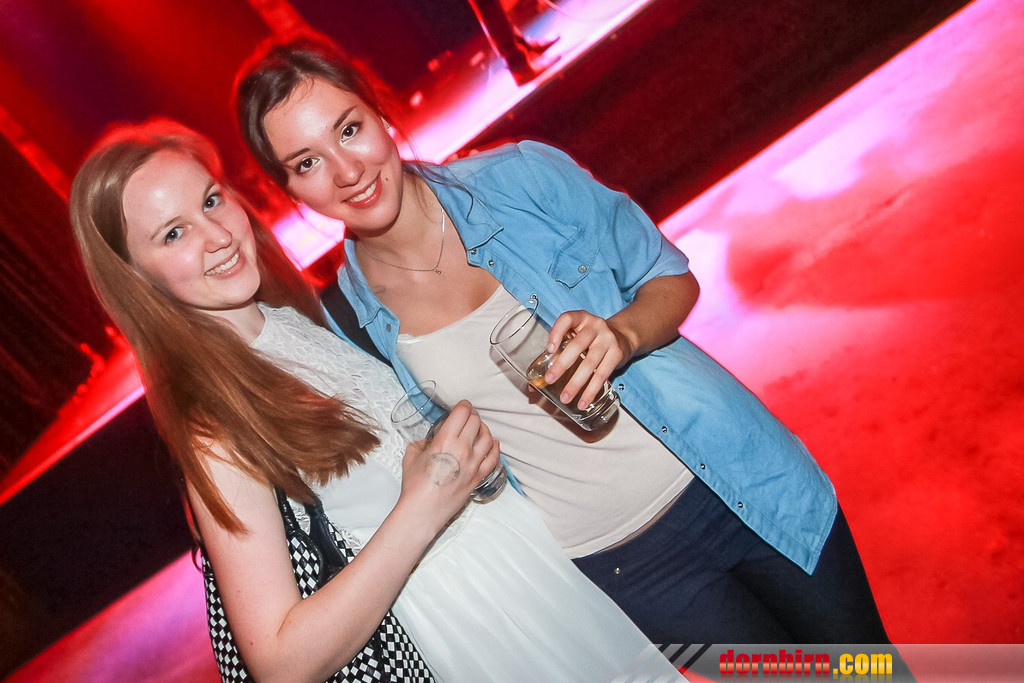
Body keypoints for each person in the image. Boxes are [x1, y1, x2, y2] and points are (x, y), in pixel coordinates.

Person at [233, 35, 894, 646]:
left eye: (349, 129)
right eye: (307, 163)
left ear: (379, 112)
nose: (346, 171)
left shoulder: (522, 178)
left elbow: (670, 278)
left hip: (735, 478)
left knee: (869, 668)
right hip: (626, 569)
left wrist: (623, 333)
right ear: (287, 190)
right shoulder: (350, 322)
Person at [67, 119, 686, 682]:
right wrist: (424, 504)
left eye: (210, 201)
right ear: (135, 277)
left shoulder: (292, 322)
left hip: (539, 580)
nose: (217, 236)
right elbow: (280, 663)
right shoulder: (214, 429)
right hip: (485, 631)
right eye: (174, 234)